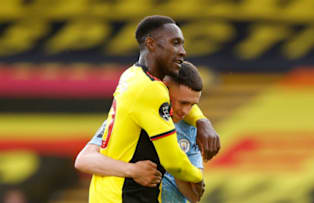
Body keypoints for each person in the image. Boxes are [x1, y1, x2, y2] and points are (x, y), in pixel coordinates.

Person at [88, 15, 218, 203]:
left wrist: (201, 120)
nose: (182, 51)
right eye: (175, 43)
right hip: (124, 196)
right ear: (151, 43)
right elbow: (173, 162)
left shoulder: (132, 75)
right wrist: (197, 179)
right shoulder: (150, 90)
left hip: (109, 193)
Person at [76, 61, 205, 202]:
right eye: (183, 103)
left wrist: (176, 167)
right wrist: (133, 170)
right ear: (165, 90)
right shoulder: (132, 118)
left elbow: (195, 195)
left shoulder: (191, 130)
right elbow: (84, 160)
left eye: (192, 105)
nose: (186, 111)